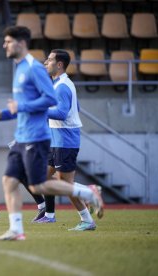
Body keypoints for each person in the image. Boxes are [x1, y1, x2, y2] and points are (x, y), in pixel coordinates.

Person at [0, 26, 104, 241]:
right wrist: (4, 114)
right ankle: (20, 228)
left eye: (8, 41)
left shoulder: (46, 76)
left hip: (54, 138)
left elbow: (55, 108)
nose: (4, 45)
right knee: (14, 180)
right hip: (40, 137)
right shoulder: (25, 70)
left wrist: (22, 109)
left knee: (44, 184)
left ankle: (87, 196)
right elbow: (28, 106)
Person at [30, 49, 100, 231]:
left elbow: (62, 113)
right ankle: (51, 214)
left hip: (65, 141)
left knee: (65, 186)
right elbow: (75, 107)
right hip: (56, 140)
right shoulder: (60, 84)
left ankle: (87, 219)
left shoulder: (61, 86)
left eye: (49, 60)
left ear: (59, 64)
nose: (45, 62)